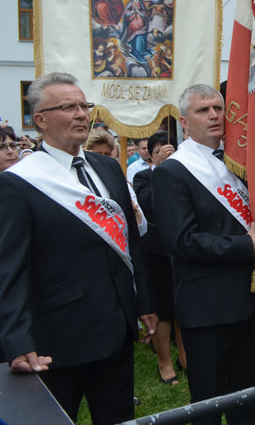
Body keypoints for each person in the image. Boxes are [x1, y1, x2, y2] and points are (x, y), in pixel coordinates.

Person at [0, 72, 156, 424]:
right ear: (40, 120)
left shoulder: (106, 167)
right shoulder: (19, 182)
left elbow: (129, 240)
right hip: (58, 338)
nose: (82, 114)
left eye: (84, 106)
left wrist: (144, 302)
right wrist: (15, 340)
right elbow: (9, 270)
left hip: (116, 329)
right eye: (68, 107)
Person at [153, 84, 255, 425]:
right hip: (205, 307)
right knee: (208, 404)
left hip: (247, 298)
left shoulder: (240, 163)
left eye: (218, 108)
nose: (213, 115)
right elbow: (182, 241)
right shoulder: (172, 172)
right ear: (184, 121)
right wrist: (245, 247)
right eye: (202, 110)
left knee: (248, 399)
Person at [134, 131, 186, 386]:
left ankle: (185, 357)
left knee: (183, 306)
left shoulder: (185, 171)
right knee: (163, 309)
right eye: (158, 152)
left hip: (183, 247)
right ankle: (164, 362)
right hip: (157, 252)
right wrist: (161, 169)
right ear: (151, 156)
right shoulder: (143, 177)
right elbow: (150, 205)